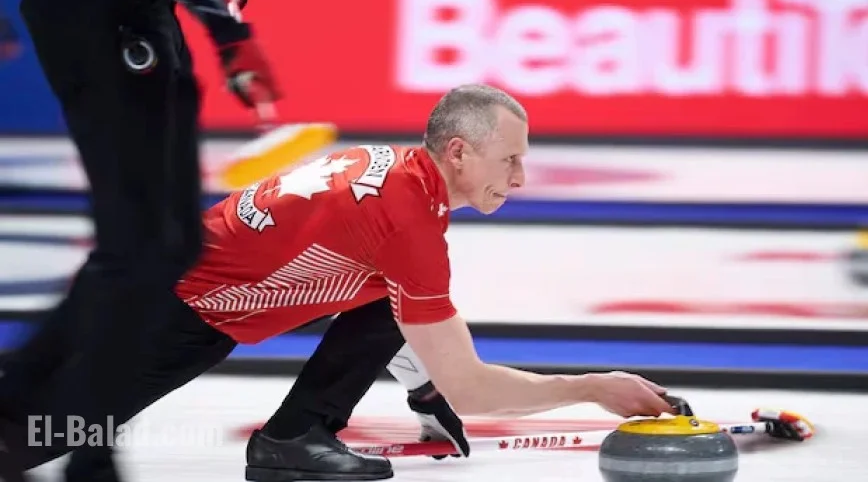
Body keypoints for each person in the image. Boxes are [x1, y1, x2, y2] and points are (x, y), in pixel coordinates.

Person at [0, 84, 674, 481]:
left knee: (391, 298)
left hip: (158, 281)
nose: (521, 179)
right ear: (460, 152)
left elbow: (391, 308)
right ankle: (291, 439)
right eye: (512, 159)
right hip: (176, 317)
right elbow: (470, 384)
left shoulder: (388, 167)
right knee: (35, 439)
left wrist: (423, 383)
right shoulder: (410, 226)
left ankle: (297, 433)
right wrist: (589, 387)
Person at [0, 0, 278, 481]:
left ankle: (19, 403)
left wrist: (225, 29)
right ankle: (89, 457)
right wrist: (230, 36)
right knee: (139, 249)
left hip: (145, 16)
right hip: (101, 20)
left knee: (173, 246)